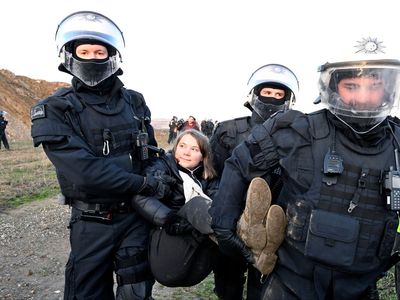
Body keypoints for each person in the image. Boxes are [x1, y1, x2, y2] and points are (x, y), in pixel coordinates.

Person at [210, 35, 400, 299]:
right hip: (293, 283)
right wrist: (223, 223)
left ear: (389, 88)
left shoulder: (397, 143)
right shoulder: (299, 130)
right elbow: (241, 162)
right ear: (333, 87)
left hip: (360, 287)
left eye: (374, 85)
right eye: (352, 86)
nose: (363, 96)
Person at [30, 11, 173, 299]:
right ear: (69, 56)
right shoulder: (56, 109)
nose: (92, 58)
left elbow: (153, 152)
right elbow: (85, 172)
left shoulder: (134, 101)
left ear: (112, 55)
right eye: (84, 51)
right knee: (87, 294)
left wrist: (158, 172)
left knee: (137, 291)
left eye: (99, 51)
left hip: (136, 218)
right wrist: (143, 184)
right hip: (92, 223)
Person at [209, 63, 299, 300]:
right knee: (228, 284)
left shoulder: (295, 136)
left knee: (264, 285)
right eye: (266, 93)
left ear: (288, 99)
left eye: (279, 95)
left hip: (273, 227)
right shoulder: (227, 130)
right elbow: (214, 172)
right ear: (254, 94)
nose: (272, 100)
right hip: (231, 219)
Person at [131, 129, 219, 286]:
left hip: (196, 265)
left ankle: (253, 246)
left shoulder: (208, 179)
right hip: (168, 256)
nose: (186, 152)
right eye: (182, 146)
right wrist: (170, 219)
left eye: (194, 149)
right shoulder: (161, 167)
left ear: (203, 157)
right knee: (198, 204)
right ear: (175, 147)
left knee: (218, 206)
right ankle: (244, 237)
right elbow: (140, 197)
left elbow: (219, 201)